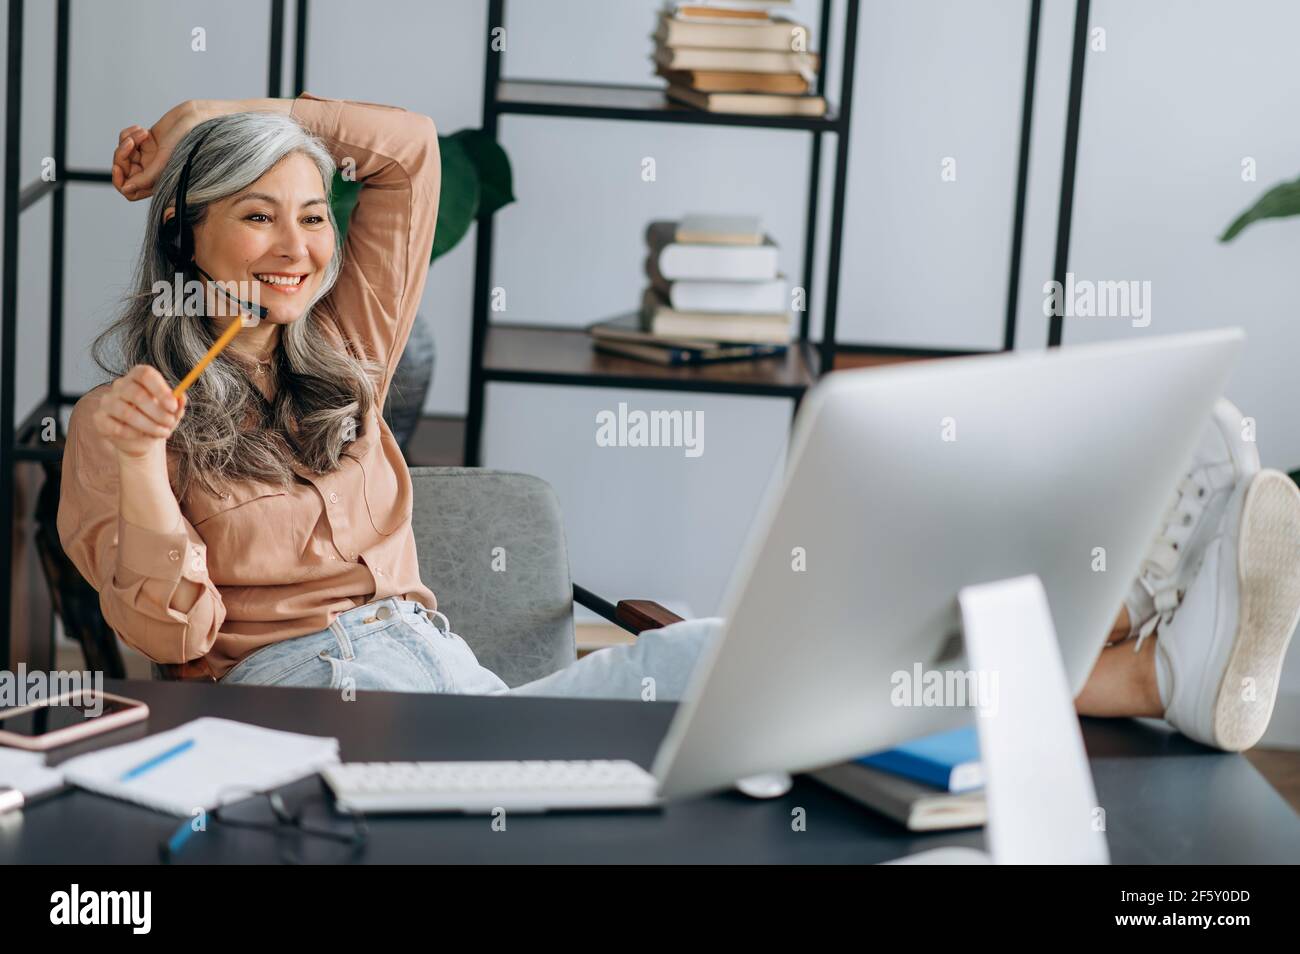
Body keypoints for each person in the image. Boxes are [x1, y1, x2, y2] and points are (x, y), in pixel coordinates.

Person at [57, 95, 1300, 754]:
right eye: (253, 218)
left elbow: (408, 154)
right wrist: (143, 473)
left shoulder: (351, 354)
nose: (295, 248)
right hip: (322, 712)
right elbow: (172, 643)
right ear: (185, 233)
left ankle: (1142, 662)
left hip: (451, 680)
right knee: (757, 687)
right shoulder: (118, 425)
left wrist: (217, 115)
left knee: (749, 647)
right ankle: (1145, 667)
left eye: (308, 216)